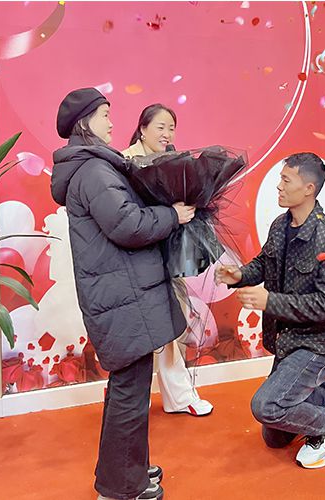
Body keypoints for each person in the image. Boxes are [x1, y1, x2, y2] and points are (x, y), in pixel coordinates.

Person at [50, 88, 196, 500]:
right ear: (84, 122)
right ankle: (121, 488)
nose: (112, 123)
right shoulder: (94, 171)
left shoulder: (91, 167)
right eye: (104, 115)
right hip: (123, 296)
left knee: (128, 391)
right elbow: (128, 226)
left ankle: (126, 470)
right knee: (129, 394)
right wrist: (172, 215)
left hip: (122, 292)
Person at [215, 152, 325, 469]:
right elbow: (264, 263)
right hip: (287, 340)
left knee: (266, 407)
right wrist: (239, 275)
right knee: (275, 437)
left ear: (308, 188)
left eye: (286, 180)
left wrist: (269, 301)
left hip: (318, 343)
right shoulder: (280, 226)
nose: (278, 186)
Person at [122, 103, 214, 417]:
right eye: (160, 127)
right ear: (142, 128)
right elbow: (125, 217)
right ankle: (130, 397)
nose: (167, 134)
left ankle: (177, 396)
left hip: (166, 256)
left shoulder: (173, 162)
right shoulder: (124, 162)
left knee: (173, 322)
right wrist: (171, 214)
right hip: (134, 259)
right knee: (136, 331)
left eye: (171, 128)